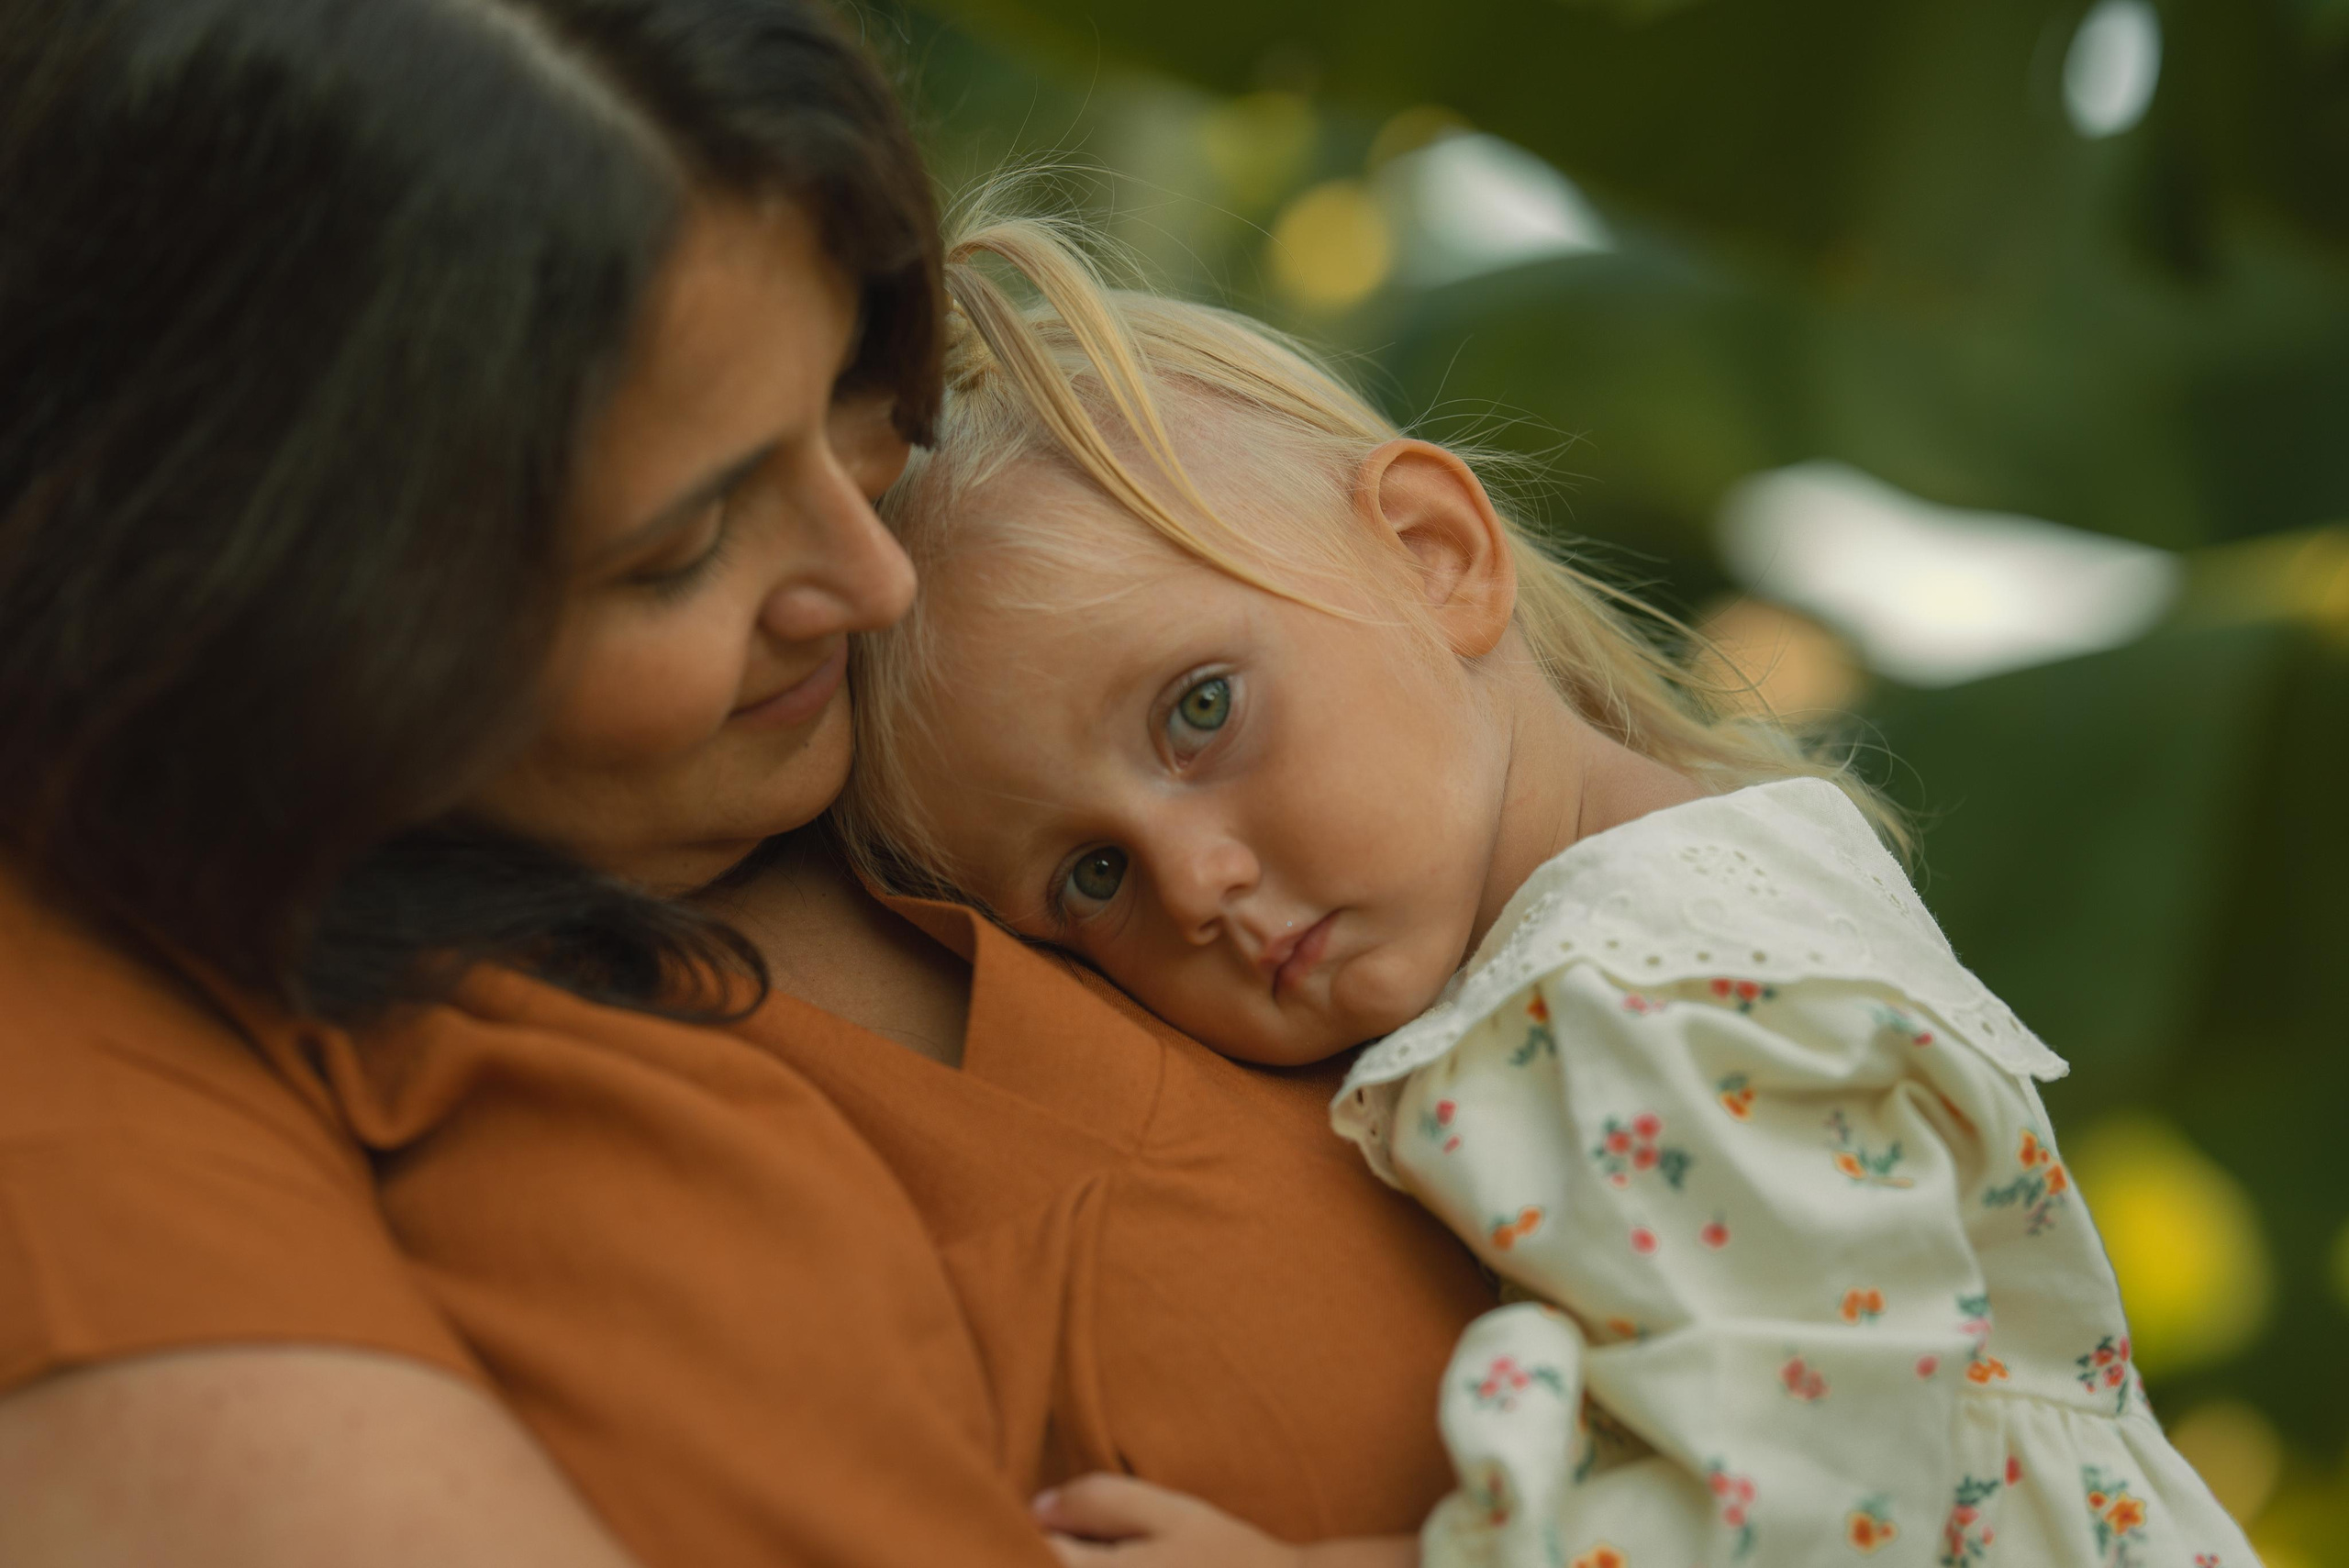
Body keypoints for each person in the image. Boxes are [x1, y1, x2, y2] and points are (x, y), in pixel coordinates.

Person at [0, 4, 1496, 1564]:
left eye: (848, 397)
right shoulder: (181, 1051)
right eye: (680, 549)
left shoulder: (975, 709)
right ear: (293, 610)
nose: (873, 578)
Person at [832, 211, 2259, 1567]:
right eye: (1091, 875)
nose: (1195, 884)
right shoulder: (1702, 892)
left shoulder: (1639, 984)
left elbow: (1810, 1522)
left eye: (1200, 707)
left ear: (1436, 557)